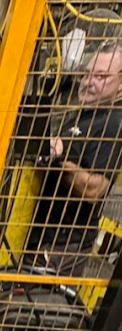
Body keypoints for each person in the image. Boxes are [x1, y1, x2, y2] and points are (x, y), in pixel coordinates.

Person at [31, 44, 122, 274]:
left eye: (100, 76)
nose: (88, 81)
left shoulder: (114, 124)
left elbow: (94, 189)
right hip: (40, 235)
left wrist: (57, 159)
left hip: (61, 247)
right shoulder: (83, 115)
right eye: (86, 73)